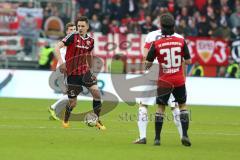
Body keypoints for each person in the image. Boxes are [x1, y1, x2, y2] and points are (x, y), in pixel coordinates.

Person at [134, 20, 184, 144]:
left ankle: (142, 137)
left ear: (160, 25)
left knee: (143, 104)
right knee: (175, 106)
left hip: (153, 70)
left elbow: (145, 56)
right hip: (170, 73)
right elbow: (182, 60)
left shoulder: (151, 35)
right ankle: (183, 136)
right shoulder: (179, 38)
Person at [145, 13, 192, 146]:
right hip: (178, 80)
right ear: (173, 26)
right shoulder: (181, 41)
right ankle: (185, 135)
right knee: (182, 106)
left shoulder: (157, 43)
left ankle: (157, 138)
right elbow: (188, 61)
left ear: (161, 26)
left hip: (164, 80)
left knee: (160, 108)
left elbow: (148, 63)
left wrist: (150, 63)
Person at [55, 16, 106, 130]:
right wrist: (61, 63)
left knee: (97, 94)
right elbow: (57, 47)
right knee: (73, 103)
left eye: (83, 26)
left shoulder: (91, 41)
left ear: (87, 26)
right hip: (72, 74)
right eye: (79, 26)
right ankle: (66, 118)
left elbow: (88, 55)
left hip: (85, 72)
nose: (80, 28)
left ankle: (97, 119)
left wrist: (91, 70)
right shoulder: (72, 36)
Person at [48, 22, 76, 120]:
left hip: (67, 70)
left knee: (69, 94)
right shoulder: (65, 42)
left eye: (74, 29)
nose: (73, 31)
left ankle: (55, 112)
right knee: (71, 94)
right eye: (71, 30)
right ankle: (53, 108)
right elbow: (56, 51)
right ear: (67, 31)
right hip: (63, 70)